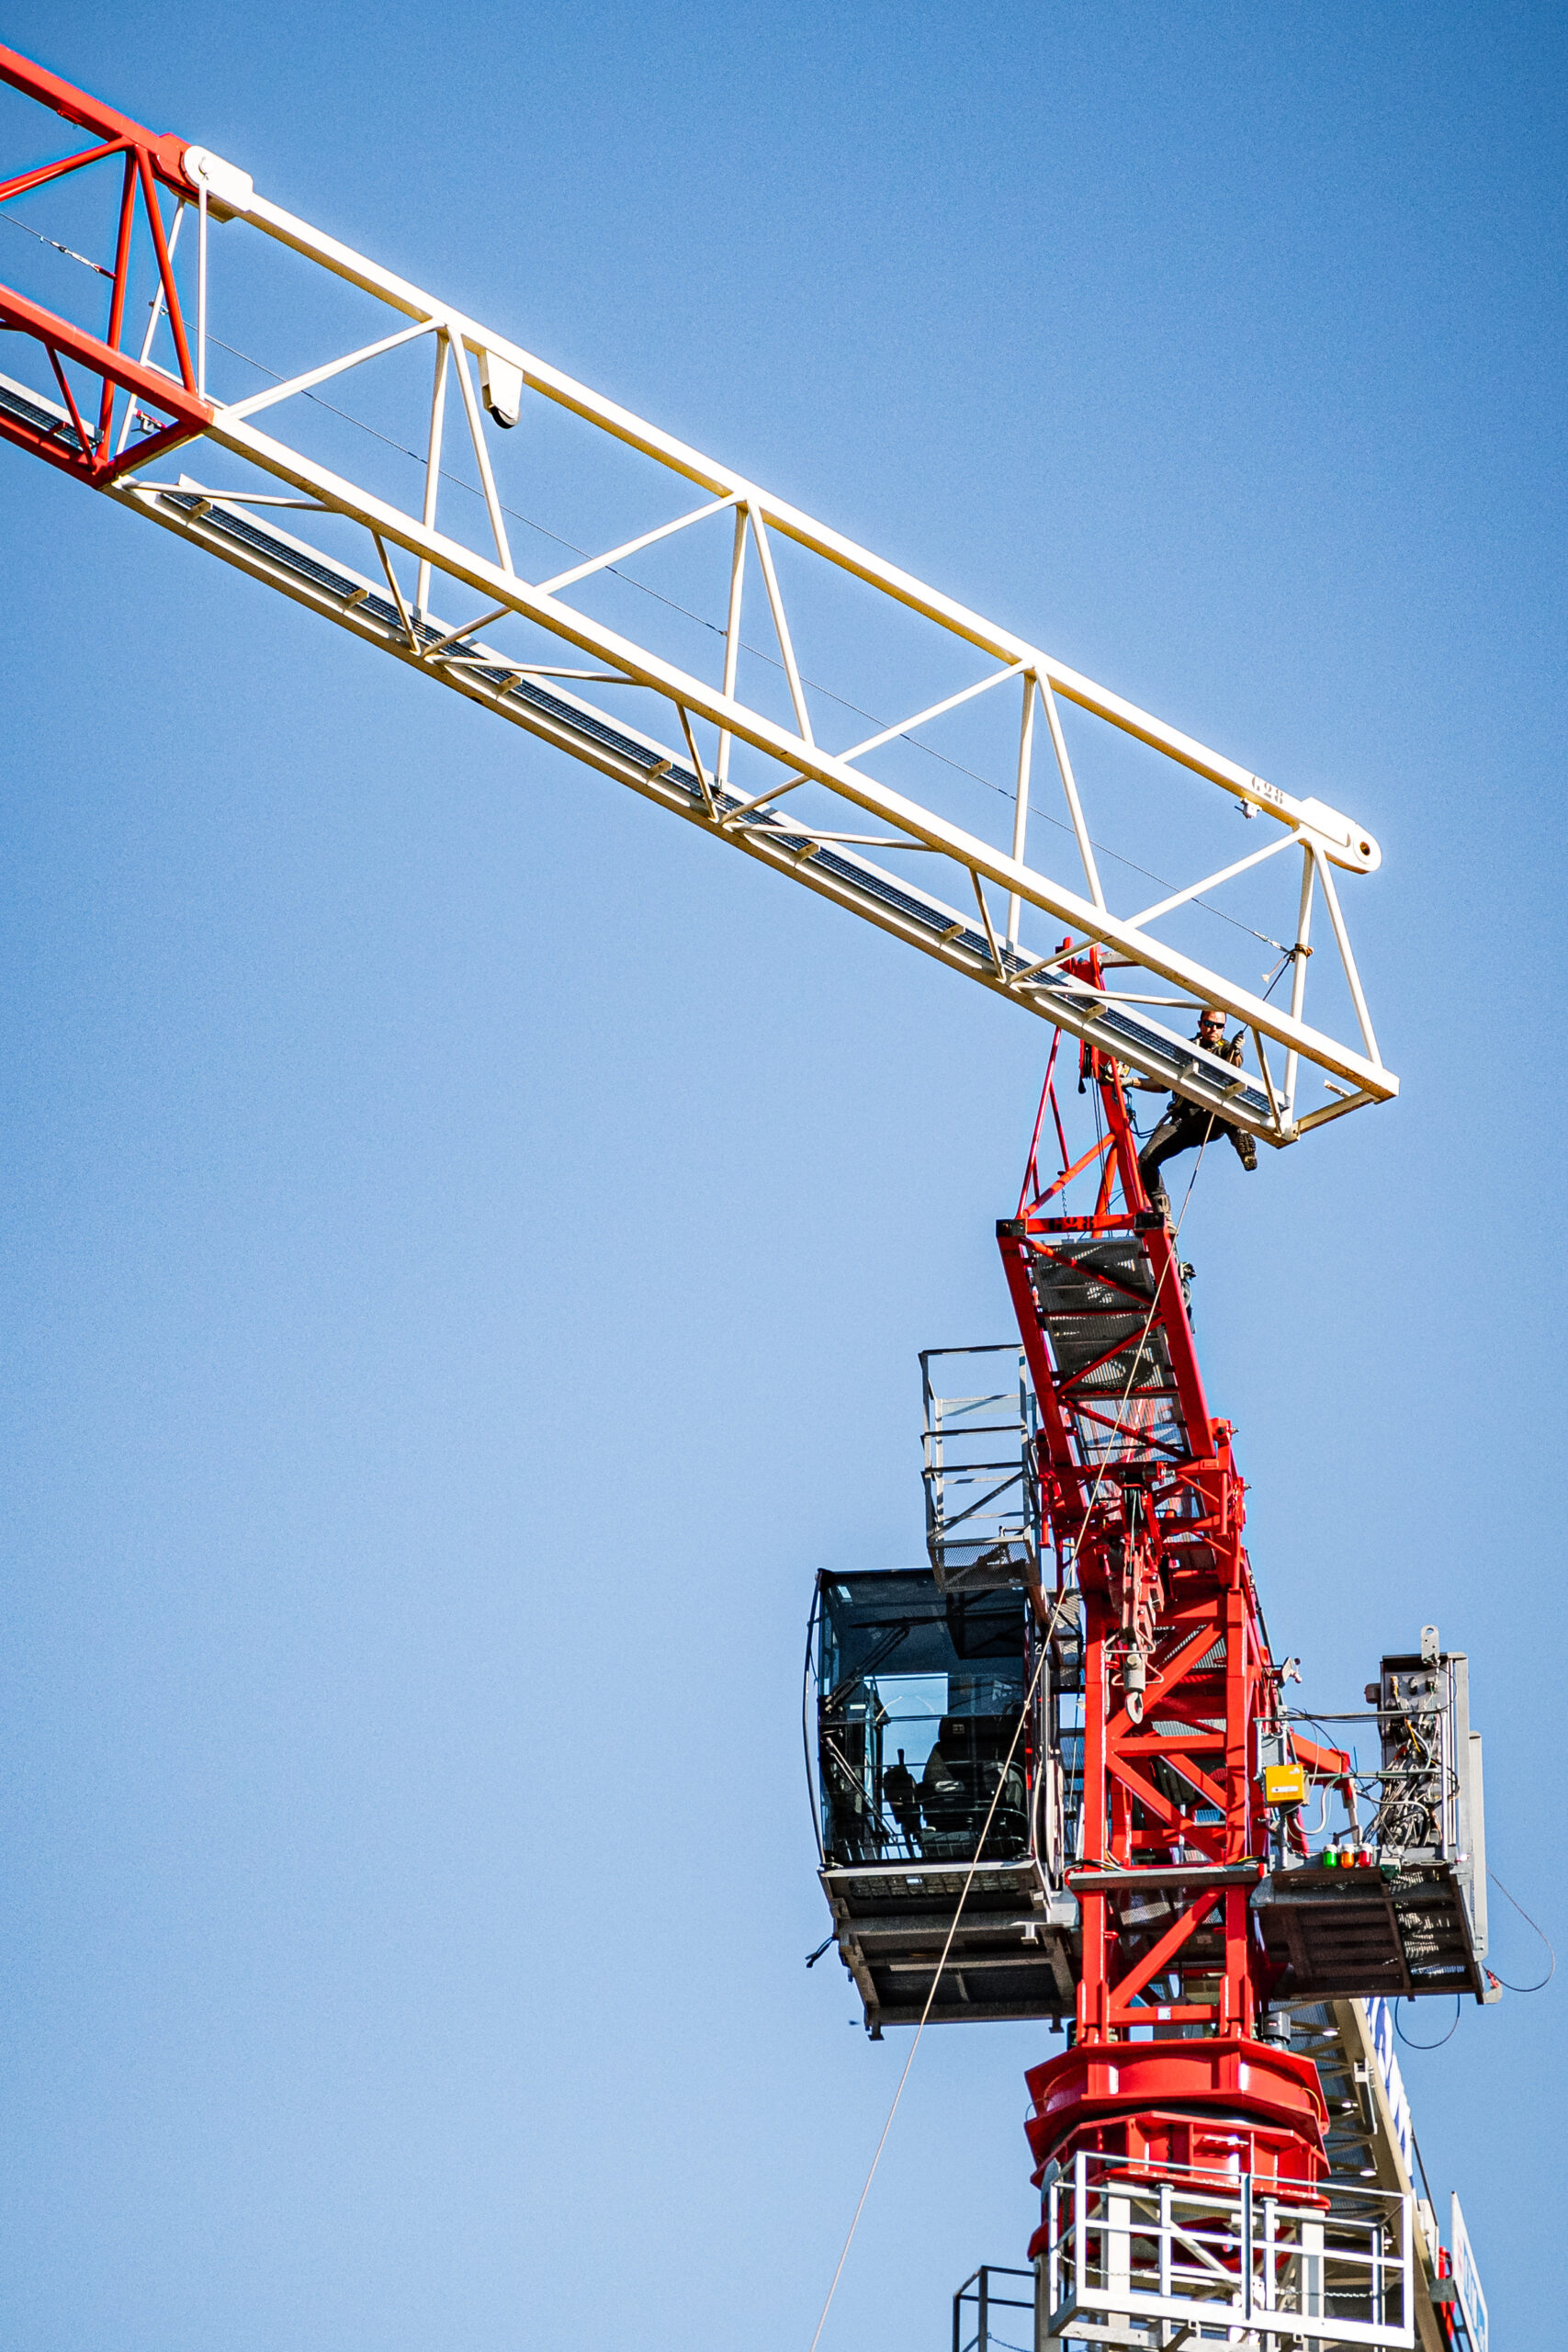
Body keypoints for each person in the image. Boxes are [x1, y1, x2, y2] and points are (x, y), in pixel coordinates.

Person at [1130, 1006, 1257, 1220]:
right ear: (1200, 1024)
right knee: (1145, 1159)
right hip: (1184, 1121)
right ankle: (1161, 1207)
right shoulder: (1186, 1050)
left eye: (1219, 1026)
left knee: (1227, 1106)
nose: (1213, 1029)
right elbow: (1163, 1084)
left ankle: (1242, 1141)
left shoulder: (1226, 1050)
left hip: (1211, 1116)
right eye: (1209, 1024)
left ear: (1224, 1029)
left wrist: (1235, 1050)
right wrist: (1131, 1081)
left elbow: (1235, 1064)